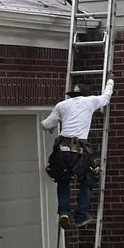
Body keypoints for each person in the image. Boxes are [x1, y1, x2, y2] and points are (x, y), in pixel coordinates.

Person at [42, 74, 114, 229]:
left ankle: (64, 213)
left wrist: (53, 126)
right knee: (88, 177)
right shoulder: (91, 101)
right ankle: (81, 215)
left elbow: (46, 124)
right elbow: (106, 97)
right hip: (76, 145)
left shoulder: (62, 105)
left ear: (72, 95)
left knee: (63, 179)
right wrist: (110, 80)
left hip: (61, 147)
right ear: (85, 94)